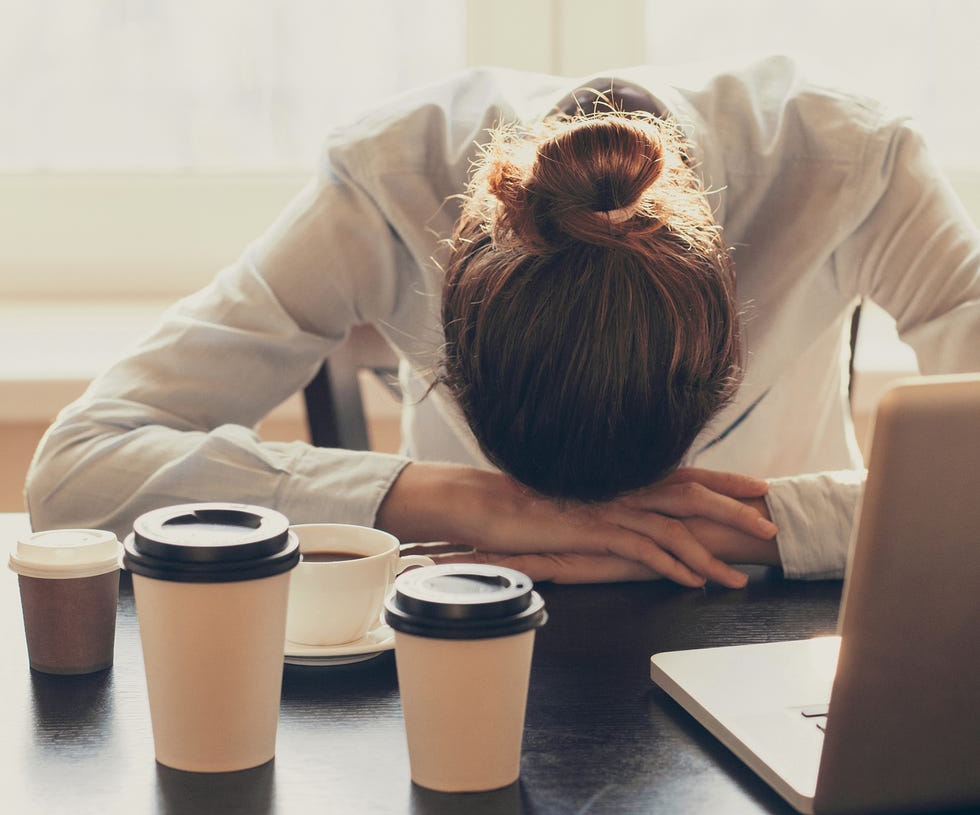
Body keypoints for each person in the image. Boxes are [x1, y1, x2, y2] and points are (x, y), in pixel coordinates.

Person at [25, 54, 980, 587]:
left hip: (767, 619)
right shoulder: (389, 178)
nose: (609, 523)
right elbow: (77, 472)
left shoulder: (857, 166)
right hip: (477, 606)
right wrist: (463, 501)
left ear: (728, 325)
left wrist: (766, 524)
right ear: (452, 322)